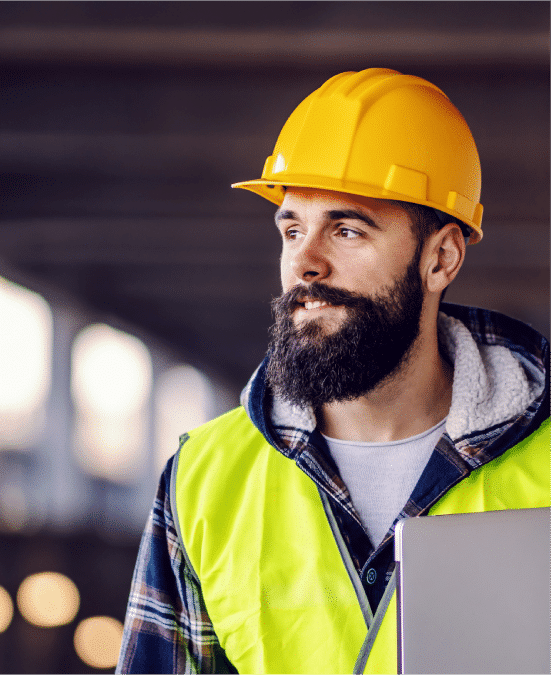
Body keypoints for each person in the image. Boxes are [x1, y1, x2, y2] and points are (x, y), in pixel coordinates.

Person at [116, 68, 549, 674]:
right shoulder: (205, 483)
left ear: (442, 257)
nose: (306, 264)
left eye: (346, 229)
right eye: (293, 229)